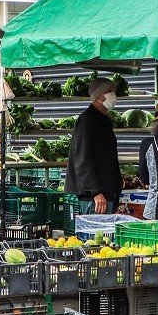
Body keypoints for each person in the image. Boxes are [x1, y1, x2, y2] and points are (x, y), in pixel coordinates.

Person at [65, 78, 121, 215]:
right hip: (93, 199)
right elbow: (82, 159)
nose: (113, 95)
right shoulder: (86, 120)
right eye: (109, 91)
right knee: (93, 236)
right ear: (99, 95)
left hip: (106, 195)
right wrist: (95, 191)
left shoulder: (104, 120)